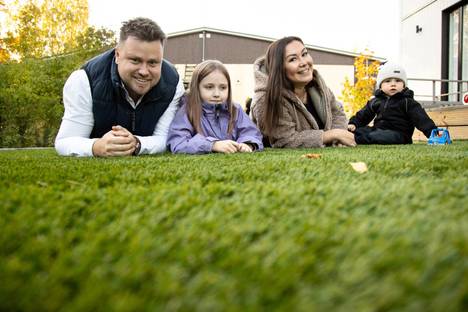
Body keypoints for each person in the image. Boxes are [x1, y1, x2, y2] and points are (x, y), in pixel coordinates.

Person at [55, 17, 184, 157]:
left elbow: (165, 137)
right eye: (135, 60)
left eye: (153, 63)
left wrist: (136, 143)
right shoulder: (83, 80)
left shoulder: (173, 83)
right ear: (117, 55)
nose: (144, 71)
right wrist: (96, 147)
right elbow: (65, 141)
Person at [251, 36, 355, 148]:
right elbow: (285, 140)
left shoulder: (318, 86)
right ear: (279, 69)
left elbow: (337, 113)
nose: (304, 62)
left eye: (304, 54)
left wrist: (338, 137)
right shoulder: (265, 98)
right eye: (293, 59)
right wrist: (332, 135)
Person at [167, 60, 263, 154]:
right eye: (209, 87)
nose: (217, 94)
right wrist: (212, 145)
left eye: (223, 87)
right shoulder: (188, 110)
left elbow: (251, 132)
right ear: (196, 87)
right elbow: (178, 142)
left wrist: (247, 144)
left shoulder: (235, 110)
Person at [348, 62, 437, 144]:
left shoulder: (407, 102)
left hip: (399, 134)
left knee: (378, 136)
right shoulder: (376, 101)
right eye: (388, 81)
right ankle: (349, 136)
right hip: (377, 130)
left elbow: (421, 119)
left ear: (404, 85)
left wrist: (433, 133)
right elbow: (364, 114)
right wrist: (354, 123)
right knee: (362, 131)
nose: (393, 84)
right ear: (381, 86)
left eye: (397, 81)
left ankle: (356, 139)